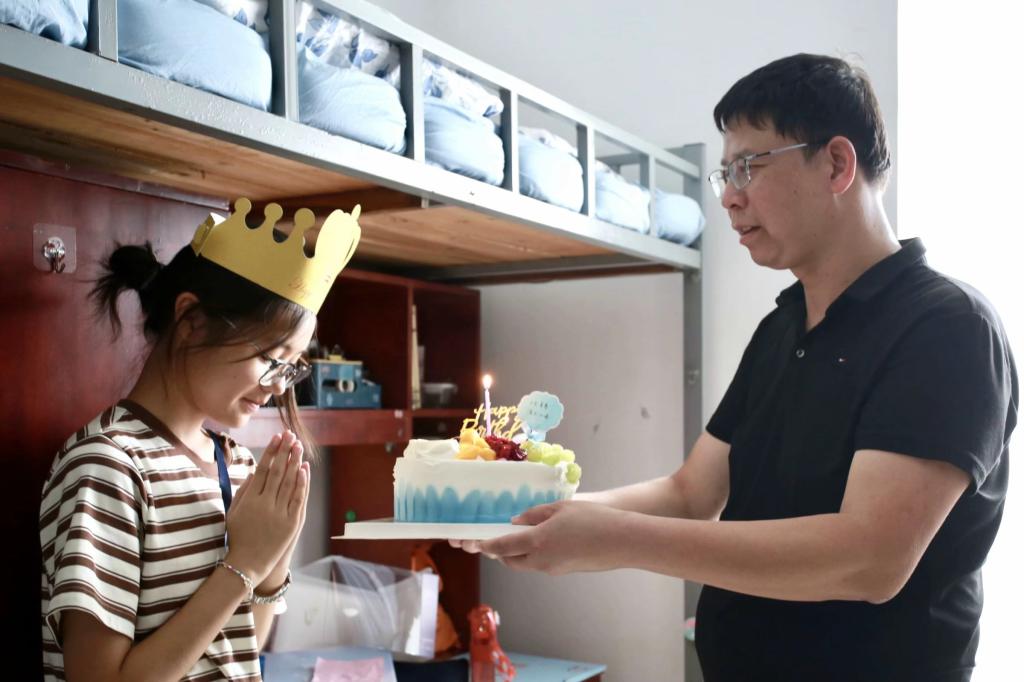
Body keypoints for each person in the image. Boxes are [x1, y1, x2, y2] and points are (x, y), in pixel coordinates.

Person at [454, 54, 1018, 681]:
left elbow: (867, 559)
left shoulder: (947, 327)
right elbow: (690, 494)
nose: (728, 196)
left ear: (836, 164)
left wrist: (611, 538)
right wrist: (541, 514)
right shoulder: (782, 327)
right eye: (725, 173)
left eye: (749, 166)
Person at [39, 199, 361, 681]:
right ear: (191, 320)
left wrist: (275, 557)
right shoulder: (109, 466)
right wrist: (244, 565)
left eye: (291, 367)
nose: (279, 386)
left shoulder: (237, 462)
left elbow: (238, 649)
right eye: (270, 357)